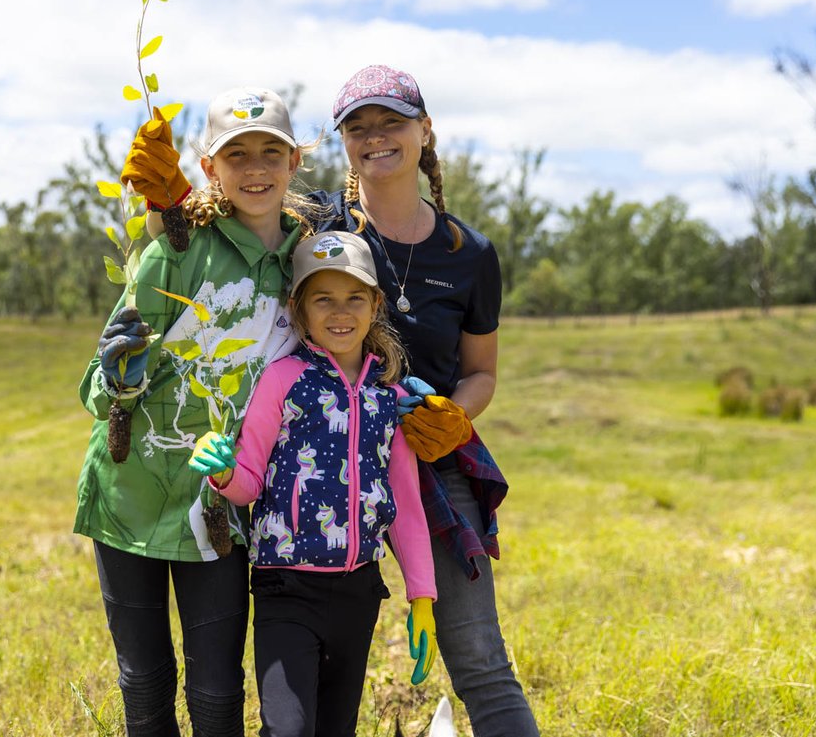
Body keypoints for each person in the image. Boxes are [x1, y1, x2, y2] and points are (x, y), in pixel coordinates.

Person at [74, 86, 316, 736]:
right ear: (209, 167)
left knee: (216, 690)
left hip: (219, 509)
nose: (256, 168)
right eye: (238, 155)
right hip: (130, 496)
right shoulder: (175, 254)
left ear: (296, 162)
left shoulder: (306, 266)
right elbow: (97, 392)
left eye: (272, 152)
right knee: (144, 680)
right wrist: (120, 378)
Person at [325, 64, 540, 736]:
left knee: (480, 660)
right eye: (358, 127)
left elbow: (481, 372)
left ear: (424, 132)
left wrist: (454, 415)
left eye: (391, 121)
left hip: (434, 465)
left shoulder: (470, 253)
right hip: (331, 463)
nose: (375, 137)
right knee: (325, 665)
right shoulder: (321, 234)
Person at [188, 230, 437, 737]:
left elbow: (405, 508)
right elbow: (250, 481)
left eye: (354, 299)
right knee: (288, 729)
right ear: (299, 308)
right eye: (323, 299)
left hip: (359, 591)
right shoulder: (283, 379)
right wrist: (222, 471)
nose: (339, 312)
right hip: (286, 587)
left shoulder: (389, 399)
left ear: (374, 306)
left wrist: (423, 596)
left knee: (335, 729)